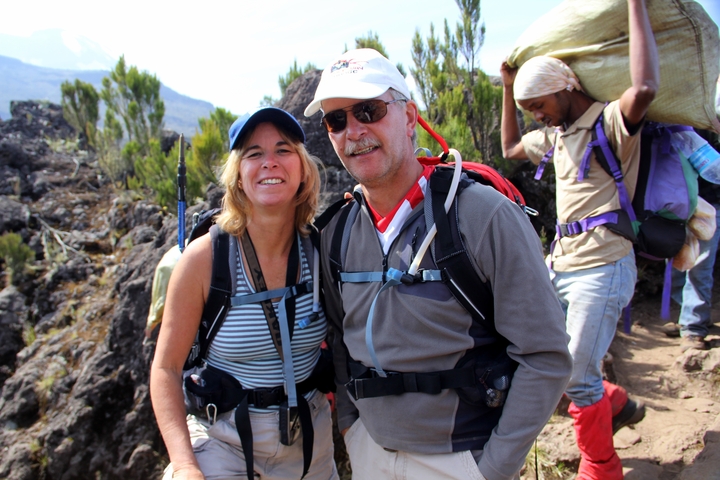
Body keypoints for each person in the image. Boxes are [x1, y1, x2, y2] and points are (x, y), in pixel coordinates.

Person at [304, 47, 573, 480]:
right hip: (370, 453)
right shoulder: (335, 234)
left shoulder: (484, 216)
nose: (353, 131)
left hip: (462, 461)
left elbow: (545, 356)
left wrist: (492, 469)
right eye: (337, 120)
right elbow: (340, 338)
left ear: (409, 117)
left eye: (369, 110)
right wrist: (352, 429)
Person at [500, 0, 657, 478]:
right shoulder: (556, 136)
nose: (537, 118)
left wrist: (636, 6)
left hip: (605, 266)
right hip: (561, 266)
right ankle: (616, 403)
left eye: (539, 106)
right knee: (551, 363)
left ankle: (600, 468)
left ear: (565, 88)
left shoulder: (611, 124)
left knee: (577, 376)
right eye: (530, 112)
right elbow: (509, 149)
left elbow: (646, 87)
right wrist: (508, 90)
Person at [150, 107, 338, 480]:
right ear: (237, 176)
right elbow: (166, 369)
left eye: (283, 150)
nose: (270, 163)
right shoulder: (205, 261)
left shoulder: (323, 252)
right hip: (224, 443)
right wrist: (186, 465)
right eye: (254, 154)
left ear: (303, 170)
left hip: (311, 447)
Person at [668, 172, 720, 351]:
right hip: (677, 198)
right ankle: (688, 316)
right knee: (678, 261)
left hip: (710, 202)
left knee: (699, 266)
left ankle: (693, 326)